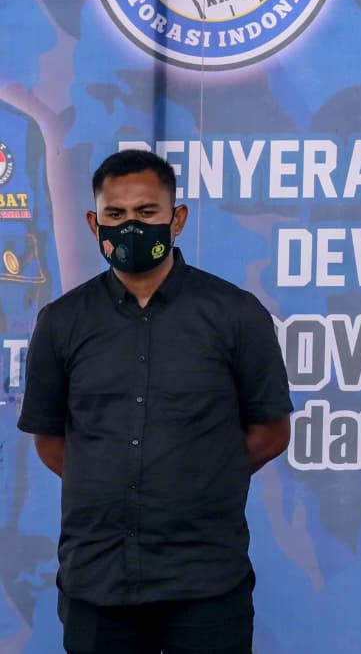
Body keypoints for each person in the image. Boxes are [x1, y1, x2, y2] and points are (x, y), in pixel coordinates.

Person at [17, 149, 293, 654]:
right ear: (94, 223)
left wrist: (200, 478)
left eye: (146, 212)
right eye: (116, 214)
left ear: (177, 219)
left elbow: (271, 431)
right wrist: (112, 479)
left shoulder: (235, 314)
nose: (131, 227)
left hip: (207, 578)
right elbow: (51, 439)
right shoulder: (61, 321)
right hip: (97, 578)